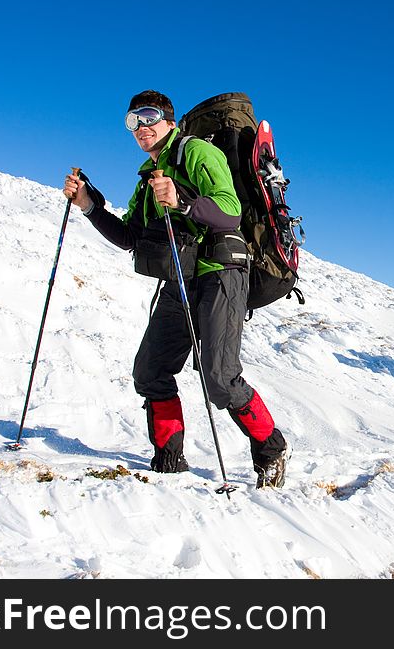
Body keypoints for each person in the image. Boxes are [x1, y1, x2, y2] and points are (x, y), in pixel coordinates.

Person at [63, 90, 288, 487]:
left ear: (169, 120)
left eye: (148, 118)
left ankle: (271, 451)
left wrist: (183, 201)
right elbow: (131, 236)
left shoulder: (197, 152)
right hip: (180, 277)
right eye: (132, 121)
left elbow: (230, 211)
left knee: (220, 377)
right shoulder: (149, 176)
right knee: (150, 371)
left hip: (222, 270)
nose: (140, 128)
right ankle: (169, 462)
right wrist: (89, 205)